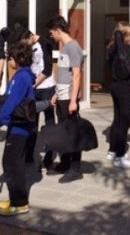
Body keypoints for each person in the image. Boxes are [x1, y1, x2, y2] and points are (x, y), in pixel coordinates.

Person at [0, 42, 36, 217]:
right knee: (13, 163)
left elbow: (13, 101)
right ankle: (15, 198)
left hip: (19, 128)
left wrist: (2, 118)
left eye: (11, 58)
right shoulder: (23, 75)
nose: (9, 62)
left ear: (19, 59)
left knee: (12, 164)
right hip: (18, 127)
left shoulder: (22, 77)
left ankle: (19, 203)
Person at [46, 15, 84, 183]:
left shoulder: (73, 47)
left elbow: (76, 75)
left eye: (52, 33)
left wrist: (73, 100)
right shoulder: (64, 47)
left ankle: (75, 168)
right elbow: (63, 74)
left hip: (69, 97)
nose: (51, 36)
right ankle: (65, 162)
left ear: (58, 30)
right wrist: (56, 92)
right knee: (64, 132)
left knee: (72, 132)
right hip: (61, 95)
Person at [19, 30, 56, 168]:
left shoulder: (45, 43)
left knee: (49, 121)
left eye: (26, 43)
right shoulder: (28, 48)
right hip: (34, 89)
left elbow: (47, 70)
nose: (26, 47)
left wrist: (33, 84)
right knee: (31, 120)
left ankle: (49, 156)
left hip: (47, 87)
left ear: (30, 36)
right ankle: (28, 155)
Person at [106, 21, 130, 169]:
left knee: (117, 120)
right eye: (129, 34)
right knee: (124, 123)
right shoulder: (125, 48)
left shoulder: (111, 47)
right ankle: (120, 156)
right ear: (124, 34)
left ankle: (112, 151)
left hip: (115, 86)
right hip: (126, 88)